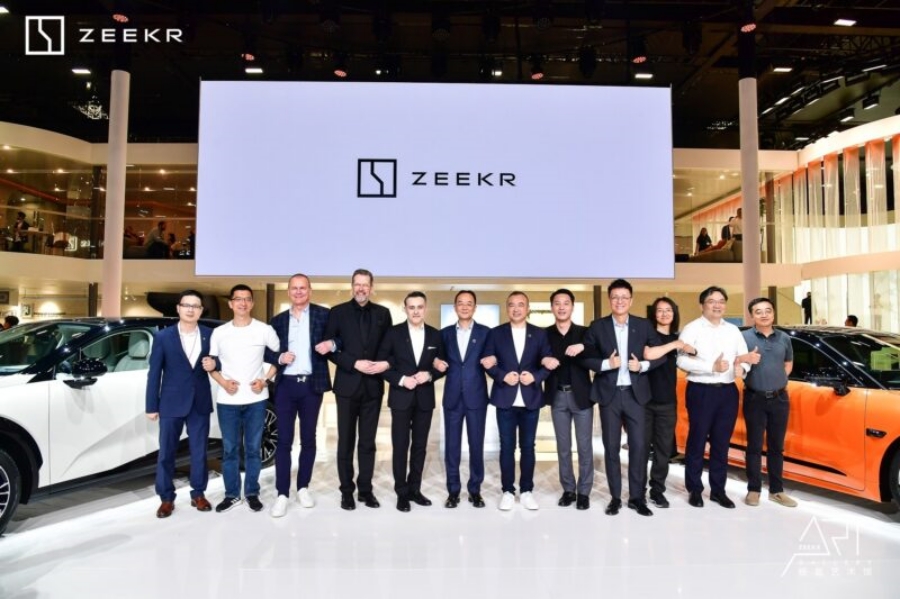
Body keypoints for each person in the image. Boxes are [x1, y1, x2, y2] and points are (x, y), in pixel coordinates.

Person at [581, 279, 685, 517]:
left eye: (624, 297)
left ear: (631, 300)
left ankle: (637, 498)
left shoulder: (643, 325)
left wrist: (643, 365)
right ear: (610, 299)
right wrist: (606, 364)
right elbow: (586, 357)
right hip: (609, 396)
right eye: (615, 297)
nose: (620, 301)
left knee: (638, 447)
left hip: (636, 396)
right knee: (611, 448)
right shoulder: (597, 326)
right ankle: (615, 498)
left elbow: (659, 354)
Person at [202, 284, 279, 513]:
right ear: (231, 303)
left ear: (252, 303)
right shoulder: (220, 332)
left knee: (253, 449)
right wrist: (223, 382)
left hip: (256, 400)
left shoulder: (264, 330)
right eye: (238, 299)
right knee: (230, 450)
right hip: (227, 401)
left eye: (247, 299)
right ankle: (232, 495)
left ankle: (252, 493)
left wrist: (265, 380)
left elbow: (280, 358)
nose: (243, 303)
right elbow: (211, 365)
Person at [322, 268, 392, 510]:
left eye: (365, 284)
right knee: (346, 441)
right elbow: (330, 350)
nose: (361, 288)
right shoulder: (337, 312)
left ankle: (365, 490)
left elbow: (387, 347)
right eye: (357, 284)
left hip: (373, 386)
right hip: (347, 386)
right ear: (352, 286)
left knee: (368, 442)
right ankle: (346, 491)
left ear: (372, 288)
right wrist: (354, 363)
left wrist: (381, 364)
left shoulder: (383, 314)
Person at [265, 274, 334, 518]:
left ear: (310, 291)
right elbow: (267, 351)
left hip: (311, 386)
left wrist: (331, 345)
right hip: (285, 386)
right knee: (284, 441)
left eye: (302, 288)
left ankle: (303, 487)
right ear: (288, 292)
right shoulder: (278, 321)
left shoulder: (323, 315)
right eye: (294, 288)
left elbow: (338, 338)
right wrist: (279, 357)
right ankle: (282, 493)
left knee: (309, 439)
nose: (298, 292)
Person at [677, 286, 751, 509]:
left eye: (721, 301)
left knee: (721, 443)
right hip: (701, 391)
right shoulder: (692, 329)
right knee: (697, 441)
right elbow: (681, 360)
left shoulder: (733, 330)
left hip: (728, 392)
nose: (717, 305)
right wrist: (711, 367)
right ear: (702, 305)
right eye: (712, 301)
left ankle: (718, 490)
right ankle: (695, 489)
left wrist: (743, 368)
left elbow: (743, 357)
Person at [145, 290, 214, 518]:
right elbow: (154, 373)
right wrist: (151, 405)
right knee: (166, 453)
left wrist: (215, 363)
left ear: (201, 311)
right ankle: (166, 498)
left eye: (195, 306)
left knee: (199, 452)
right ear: (178, 308)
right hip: (171, 402)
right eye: (186, 305)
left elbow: (220, 361)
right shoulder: (163, 337)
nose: (190, 310)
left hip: (199, 402)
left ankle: (198, 493)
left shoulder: (210, 335)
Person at [376, 291, 445, 512]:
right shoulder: (393, 333)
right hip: (401, 398)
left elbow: (443, 365)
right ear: (404, 309)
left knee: (420, 447)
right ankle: (401, 492)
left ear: (425, 308)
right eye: (411, 307)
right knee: (400, 446)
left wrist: (430, 375)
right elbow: (382, 366)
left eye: (420, 307)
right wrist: (402, 379)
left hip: (424, 399)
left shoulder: (435, 335)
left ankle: (415, 489)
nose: (416, 311)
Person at [484, 291, 551, 511]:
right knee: (506, 447)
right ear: (507, 308)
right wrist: (502, 375)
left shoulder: (539, 334)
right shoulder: (496, 333)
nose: (516, 309)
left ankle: (527, 490)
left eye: (521, 304)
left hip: (530, 398)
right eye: (512, 305)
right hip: (505, 398)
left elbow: (547, 363)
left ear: (527, 308)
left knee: (528, 447)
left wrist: (536, 377)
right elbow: (487, 362)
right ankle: (507, 491)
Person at [435, 290, 493, 509]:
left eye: (469, 303)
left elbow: (491, 360)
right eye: (461, 303)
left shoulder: (486, 333)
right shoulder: (444, 334)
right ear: (455, 307)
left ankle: (475, 491)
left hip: (476, 397)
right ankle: (453, 491)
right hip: (452, 397)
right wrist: (435, 363)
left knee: (476, 445)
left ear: (475, 307)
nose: (465, 306)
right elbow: (439, 361)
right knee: (452, 447)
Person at [740, 297, 796, 508]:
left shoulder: (784, 338)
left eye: (768, 310)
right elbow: (736, 361)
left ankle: (776, 491)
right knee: (754, 446)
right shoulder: (744, 337)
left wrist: (779, 379)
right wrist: (745, 359)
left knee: (776, 447)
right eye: (758, 311)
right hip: (754, 398)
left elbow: (788, 363)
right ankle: (754, 489)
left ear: (773, 313)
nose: (764, 315)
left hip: (780, 398)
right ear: (751, 315)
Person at [541, 289, 593, 510]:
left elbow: (598, 348)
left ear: (572, 306)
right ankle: (569, 489)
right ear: (552, 307)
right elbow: (535, 356)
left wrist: (583, 346)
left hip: (581, 397)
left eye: (566, 303)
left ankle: (584, 492)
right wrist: (543, 359)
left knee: (584, 447)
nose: (561, 307)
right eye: (557, 303)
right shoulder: (544, 334)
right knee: (563, 447)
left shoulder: (584, 333)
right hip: (557, 396)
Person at [643, 297, 685, 509]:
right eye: (660, 310)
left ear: (674, 313)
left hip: (668, 402)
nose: (664, 314)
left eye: (669, 310)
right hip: (644, 401)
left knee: (663, 451)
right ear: (654, 314)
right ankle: (638, 490)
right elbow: (649, 355)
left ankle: (657, 490)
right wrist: (675, 345)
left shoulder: (679, 338)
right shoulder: (647, 335)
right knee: (641, 449)